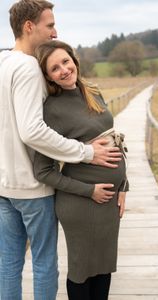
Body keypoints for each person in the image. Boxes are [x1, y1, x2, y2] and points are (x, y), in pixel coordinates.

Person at [0, 1, 122, 299]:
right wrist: (86, 152)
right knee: (44, 263)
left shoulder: (4, 63)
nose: (55, 32)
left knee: (9, 263)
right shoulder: (29, 67)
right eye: (49, 25)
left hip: (5, 183)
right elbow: (33, 130)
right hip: (32, 185)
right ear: (29, 27)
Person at [33, 39, 129, 300]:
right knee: (82, 268)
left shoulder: (91, 91)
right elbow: (44, 171)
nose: (63, 70)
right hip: (81, 201)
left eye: (65, 61)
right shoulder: (51, 111)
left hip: (109, 200)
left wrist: (123, 186)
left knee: (103, 265)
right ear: (48, 76)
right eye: (54, 68)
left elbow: (113, 139)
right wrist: (89, 191)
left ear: (74, 61)